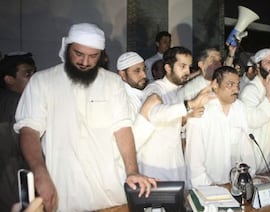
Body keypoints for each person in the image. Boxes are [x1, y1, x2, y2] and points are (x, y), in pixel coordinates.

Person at [14, 23, 156, 211]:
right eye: (78, 54)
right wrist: (40, 173)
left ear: (102, 55)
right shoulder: (42, 82)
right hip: (63, 193)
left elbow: (122, 129)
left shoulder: (113, 83)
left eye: (93, 56)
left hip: (110, 196)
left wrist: (132, 171)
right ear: (67, 48)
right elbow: (29, 130)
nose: (85, 62)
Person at [139, 46, 213, 186]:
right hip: (154, 166)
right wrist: (190, 105)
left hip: (175, 162)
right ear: (168, 68)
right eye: (182, 66)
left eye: (189, 67)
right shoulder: (155, 89)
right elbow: (154, 114)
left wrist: (187, 118)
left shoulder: (179, 90)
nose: (187, 71)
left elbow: (173, 123)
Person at [185, 66, 256, 187]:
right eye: (230, 84)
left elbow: (247, 148)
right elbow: (194, 159)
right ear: (215, 85)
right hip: (207, 186)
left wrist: (248, 175)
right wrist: (209, 187)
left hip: (234, 184)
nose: (236, 89)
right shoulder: (201, 108)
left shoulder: (240, 108)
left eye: (237, 84)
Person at [0, 52, 36, 211]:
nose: (33, 78)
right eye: (27, 74)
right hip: (13, 179)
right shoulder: (18, 103)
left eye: (34, 73)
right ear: (9, 79)